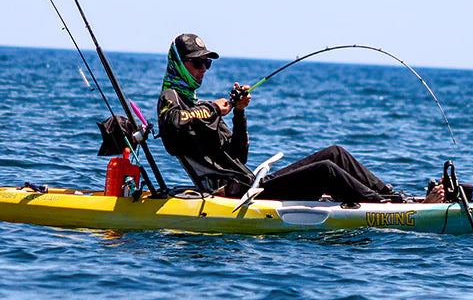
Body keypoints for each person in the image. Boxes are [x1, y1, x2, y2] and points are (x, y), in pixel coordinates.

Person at [157, 33, 444, 204]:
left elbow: (238, 156)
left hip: (249, 184)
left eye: (206, 63)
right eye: (197, 63)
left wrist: (240, 114)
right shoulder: (170, 99)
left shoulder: (195, 104)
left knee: (336, 154)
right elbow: (171, 127)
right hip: (230, 195)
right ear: (179, 64)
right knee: (325, 172)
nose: (203, 69)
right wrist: (212, 109)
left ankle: (396, 198)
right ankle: (388, 208)